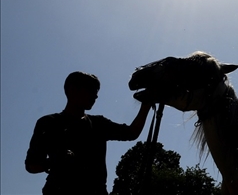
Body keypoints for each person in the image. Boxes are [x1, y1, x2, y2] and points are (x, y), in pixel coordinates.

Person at [25, 71, 153, 195]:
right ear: (72, 90)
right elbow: (31, 165)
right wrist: (54, 162)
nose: (96, 96)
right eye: (91, 90)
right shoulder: (48, 123)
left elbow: (131, 133)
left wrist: (146, 104)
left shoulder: (99, 123)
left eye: (96, 92)